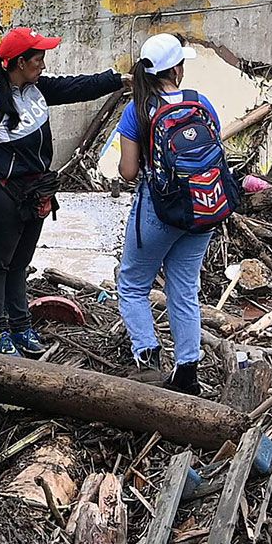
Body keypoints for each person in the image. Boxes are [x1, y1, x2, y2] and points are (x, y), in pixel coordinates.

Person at [0, 26, 124, 356]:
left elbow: (77, 86)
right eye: (38, 59)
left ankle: (20, 326)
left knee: (20, 262)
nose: (44, 65)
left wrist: (119, 80)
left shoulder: (34, 89)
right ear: (19, 63)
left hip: (34, 192)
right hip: (1, 196)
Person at [113, 33, 234, 394]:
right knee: (184, 290)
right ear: (176, 69)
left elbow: (128, 172)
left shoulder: (138, 109)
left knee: (133, 284)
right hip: (203, 205)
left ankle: (147, 356)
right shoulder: (201, 103)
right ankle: (187, 372)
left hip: (160, 209)